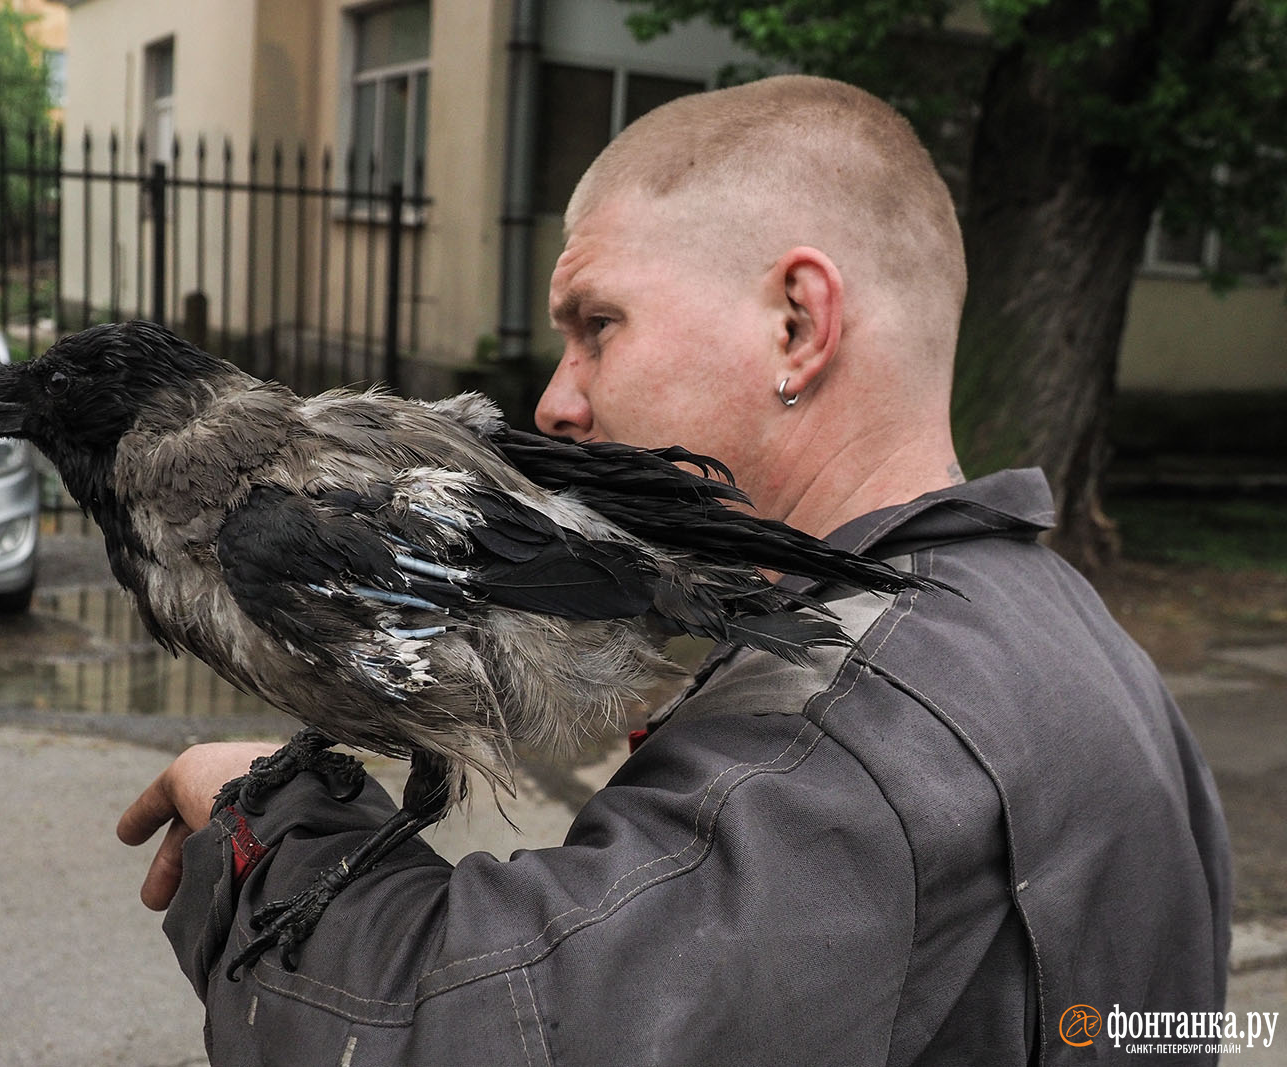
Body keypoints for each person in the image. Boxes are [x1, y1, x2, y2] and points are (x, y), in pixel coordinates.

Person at [117, 75, 1231, 1065]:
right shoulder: (1070, 633)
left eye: (597, 324)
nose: (555, 398)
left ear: (798, 325)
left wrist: (266, 826)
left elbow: (467, 1027)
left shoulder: (842, 731)